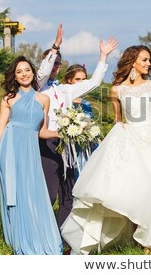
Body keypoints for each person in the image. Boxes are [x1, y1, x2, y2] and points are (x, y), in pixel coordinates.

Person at [61, 45, 151, 255]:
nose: (149, 64)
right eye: (145, 60)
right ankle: (133, 235)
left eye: (149, 60)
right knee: (131, 190)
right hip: (129, 141)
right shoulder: (116, 89)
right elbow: (119, 120)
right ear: (133, 62)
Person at [0, 56, 62, 255]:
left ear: (33, 73)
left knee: (33, 193)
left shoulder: (44, 99)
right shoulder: (9, 99)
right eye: (19, 72)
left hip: (31, 150)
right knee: (15, 193)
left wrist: (63, 132)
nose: (24, 74)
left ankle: (39, 236)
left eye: (27, 70)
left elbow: (41, 131)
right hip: (10, 148)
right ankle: (18, 237)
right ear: (15, 77)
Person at [39, 36, 118, 231]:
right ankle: (42, 233)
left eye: (58, 64)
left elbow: (94, 83)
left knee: (68, 195)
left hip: (67, 145)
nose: (55, 67)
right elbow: (43, 72)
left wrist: (103, 56)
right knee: (49, 195)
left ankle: (64, 240)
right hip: (47, 143)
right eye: (52, 63)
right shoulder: (38, 87)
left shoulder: (65, 90)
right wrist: (55, 47)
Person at [62, 64, 98, 179]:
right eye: (77, 79)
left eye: (84, 80)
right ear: (69, 80)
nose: (81, 83)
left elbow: (90, 123)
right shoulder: (64, 100)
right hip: (69, 147)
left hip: (86, 146)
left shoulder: (86, 103)